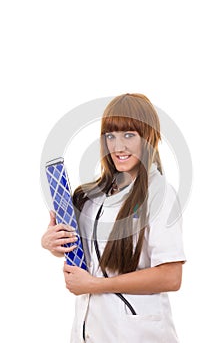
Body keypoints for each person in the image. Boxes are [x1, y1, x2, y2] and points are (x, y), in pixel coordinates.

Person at [41, 93, 186, 343]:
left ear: (149, 137)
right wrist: (53, 244)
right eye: (111, 135)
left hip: (137, 335)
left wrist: (93, 285)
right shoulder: (93, 196)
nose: (118, 146)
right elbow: (90, 256)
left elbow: (171, 276)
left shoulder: (160, 194)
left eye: (129, 135)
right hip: (90, 331)